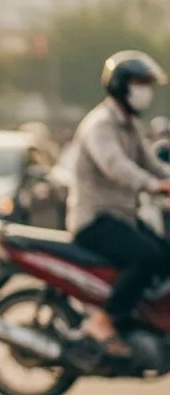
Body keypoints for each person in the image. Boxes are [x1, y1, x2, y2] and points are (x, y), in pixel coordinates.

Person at [69, 50, 170, 356]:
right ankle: (103, 320)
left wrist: (164, 177)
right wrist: (155, 185)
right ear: (121, 85)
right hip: (94, 221)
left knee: (165, 255)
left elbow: (151, 164)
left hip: (122, 218)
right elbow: (115, 166)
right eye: (140, 82)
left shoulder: (130, 125)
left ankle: (135, 322)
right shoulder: (100, 125)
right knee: (147, 257)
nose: (145, 90)